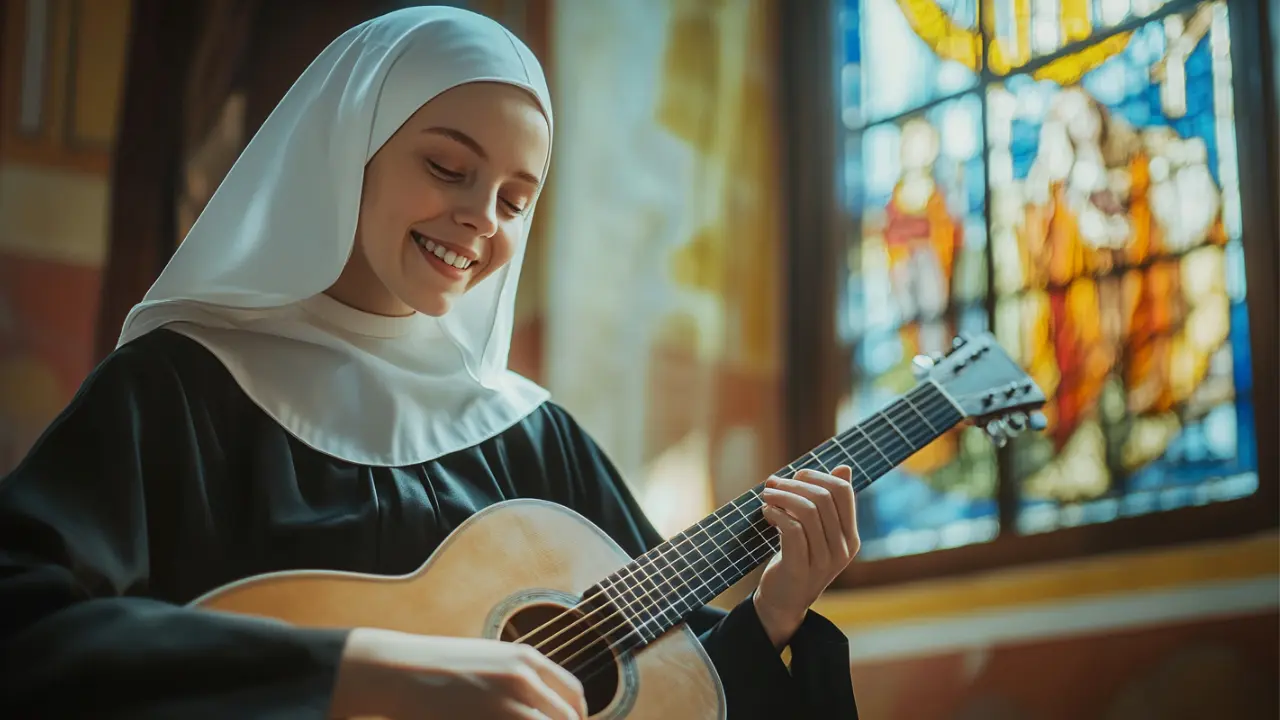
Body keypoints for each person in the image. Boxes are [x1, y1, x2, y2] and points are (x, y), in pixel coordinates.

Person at [0, 7, 861, 719]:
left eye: (515, 200)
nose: (481, 218)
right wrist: (357, 669)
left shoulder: (532, 435)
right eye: (447, 167)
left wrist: (775, 612)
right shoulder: (179, 391)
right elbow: (25, 626)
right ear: (352, 147)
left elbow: (663, 681)